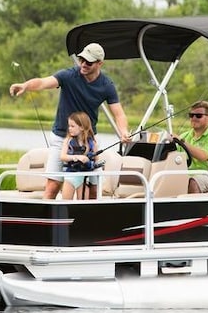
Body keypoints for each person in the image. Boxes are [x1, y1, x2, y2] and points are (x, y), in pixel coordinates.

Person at [9, 42, 130, 199]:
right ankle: (49, 220)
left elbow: (119, 114)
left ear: (100, 63)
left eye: (89, 62)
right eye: (82, 60)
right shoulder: (68, 75)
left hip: (88, 140)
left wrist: (124, 131)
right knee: (52, 187)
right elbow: (43, 82)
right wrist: (26, 85)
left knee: (93, 190)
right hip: (61, 138)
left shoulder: (107, 85)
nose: (83, 64)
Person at [173, 100, 208, 194]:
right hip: (186, 174)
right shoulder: (185, 136)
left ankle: (194, 208)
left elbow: (203, 156)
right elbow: (174, 156)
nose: (194, 118)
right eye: (191, 115)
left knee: (194, 181)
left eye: (198, 116)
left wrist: (181, 142)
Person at [60, 112, 100, 200]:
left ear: (82, 127)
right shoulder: (68, 141)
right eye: (69, 126)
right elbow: (62, 156)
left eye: (72, 126)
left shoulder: (92, 143)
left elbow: (97, 160)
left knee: (83, 205)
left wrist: (89, 161)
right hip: (70, 178)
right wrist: (76, 157)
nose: (69, 128)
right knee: (66, 203)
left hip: (84, 178)